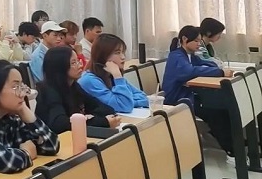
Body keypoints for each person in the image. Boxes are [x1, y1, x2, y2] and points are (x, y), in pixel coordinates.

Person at [162, 26, 234, 156]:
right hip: (178, 99)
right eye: (196, 41)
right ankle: (231, 150)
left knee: (223, 107)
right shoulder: (176, 56)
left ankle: (231, 142)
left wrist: (216, 67)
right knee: (214, 111)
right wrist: (220, 72)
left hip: (190, 95)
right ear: (185, 39)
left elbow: (203, 64)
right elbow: (189, 72)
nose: (199, 44)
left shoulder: (190, 56)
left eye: (200, 40)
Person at [35, 46, 120, 134]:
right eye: (73, 63)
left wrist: (88, 118)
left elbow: (106, 109)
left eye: (78, 60)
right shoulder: (47, 90)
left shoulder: (74, 86)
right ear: (60, 67)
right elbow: (60, 124)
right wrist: (101, 122)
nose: (80, 65)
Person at [78, 33, 149, 113]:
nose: (123, 57)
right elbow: (124, 105)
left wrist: (130, 101)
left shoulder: (110, 75)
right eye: (117, 53)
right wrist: (117, 76)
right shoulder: (89, 80)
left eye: (123, 52)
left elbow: (144, 98)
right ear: (103, 56)